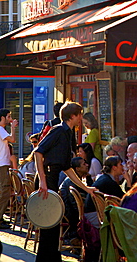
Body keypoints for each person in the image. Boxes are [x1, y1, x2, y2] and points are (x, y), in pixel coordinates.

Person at [34, 101, 96, 262]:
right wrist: (42, 181)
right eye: (80, 114)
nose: (81, 117)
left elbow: (68, 168)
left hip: (52, 178)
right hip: (47, 178)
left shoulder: (69, 133)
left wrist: (86, 187)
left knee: (53, 222)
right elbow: (38, 153)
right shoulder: (59, 131)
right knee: (49, 224)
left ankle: (52, 257)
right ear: (72, 116)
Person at [84, 156, 130, 228]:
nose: (122, 167)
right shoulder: (109, 182)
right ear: (114, 168)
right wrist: (128, 180)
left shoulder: (104, 178)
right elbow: (126, 199)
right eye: (120, 164)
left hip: (91, 213)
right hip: (95, 216)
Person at [0, 108, 18, 230]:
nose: (10, 119)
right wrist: (13, 128)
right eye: (8, 117)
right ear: (2, 118)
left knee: (2, 191)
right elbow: (12, 140)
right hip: (1, 165)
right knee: (4, 191)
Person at [59, 156, 93, 239]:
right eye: (84, 164)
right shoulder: (72, 182)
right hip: (70, 215)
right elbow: (75, 205)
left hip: (68, 213)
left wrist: (88, 178)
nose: (87, 165)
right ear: (77, 168)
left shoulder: (76, 180)